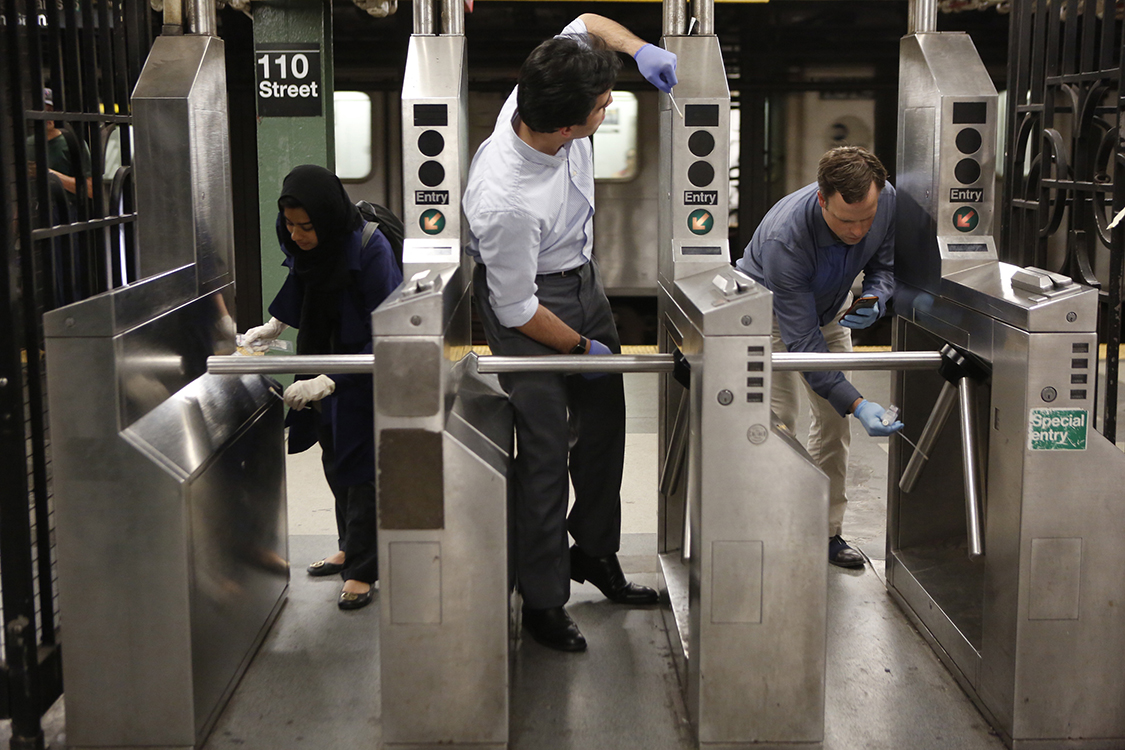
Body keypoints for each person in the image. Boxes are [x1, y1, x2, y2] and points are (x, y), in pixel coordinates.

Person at [463, 14, 677, 652]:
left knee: (605, 428)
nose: (610, 105)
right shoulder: (504, 199)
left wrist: (639, 51)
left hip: (583, 281)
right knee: (546, 453)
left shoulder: (543, 85)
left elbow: (585, 22)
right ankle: (544, 598)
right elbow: (516, 310)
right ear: (565, 126)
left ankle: (596, 554)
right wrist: (583, 348)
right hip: (533, 305)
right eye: (602, 105)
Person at [735, 146, 904, 570]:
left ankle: (825, 531)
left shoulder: (886, 202)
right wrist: (861, 402)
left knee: (833, 423)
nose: (859, 230)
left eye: (867, 218)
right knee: (777, 424)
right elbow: (803, 344)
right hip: (770, 315)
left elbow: (885, 265)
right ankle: (773, 526)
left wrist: (875, 297)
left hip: (830, 310)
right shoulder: (785, 240)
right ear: (821, 199)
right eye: (847, 221)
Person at [242, 165, 402, 610]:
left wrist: (333, 379)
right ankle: (350, 547)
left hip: (364, 361)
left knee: (362, 464)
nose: (295, 235)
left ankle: (364, 571)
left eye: (306, 226)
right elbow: (302, 275)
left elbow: (387, 330)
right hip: (322, 351)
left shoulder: (371, 250)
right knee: (332, 454)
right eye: (290, 224)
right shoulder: (291, 230)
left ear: (327, 218)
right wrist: (277, 324)